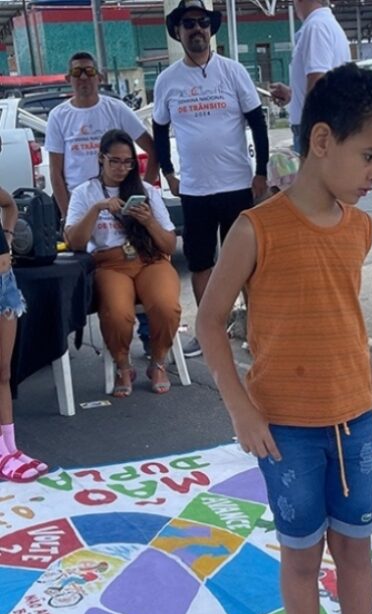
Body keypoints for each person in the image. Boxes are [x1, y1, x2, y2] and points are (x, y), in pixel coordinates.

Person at [195, 64, 372, 614]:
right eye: (370, 155)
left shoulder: (359, 228)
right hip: (287, 430)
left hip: (353, 420)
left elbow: (349, 317)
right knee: (301, 558)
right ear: (321, 140)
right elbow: (209, 321)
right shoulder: (258, 230)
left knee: (355, 550)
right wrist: (242, 410)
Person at [152, 0, 269, 358]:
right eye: (189, 24)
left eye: (203, 23)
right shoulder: (167, 80)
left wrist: (261, 172)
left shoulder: (232, 72)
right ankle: (208, 332)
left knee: (246, 264)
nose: (197, 29)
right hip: (195, 190)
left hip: (236, 185)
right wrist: (168, 173)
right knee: (202, 263)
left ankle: (255, 330)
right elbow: (158, 129)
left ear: (211, 28)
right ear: (179, 32)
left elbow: (257, 122)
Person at [64, 130, 181, 397]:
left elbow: (169, 245)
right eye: (115, 161)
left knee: (166, 305)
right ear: (100, 158)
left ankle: (158, 360)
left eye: (128, 162)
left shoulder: (147, 191)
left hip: (150, 259)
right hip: (110, 263)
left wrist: (149, 221)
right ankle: (123, 365)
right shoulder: (85, 192)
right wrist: (97, 208)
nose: (122, 168)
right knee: (117, 313)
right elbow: (75, 243)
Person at [47, 51, 159, 221]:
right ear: (68, 79)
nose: (84, 77)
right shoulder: (57, 116)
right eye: (77, 73)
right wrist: (66, 214)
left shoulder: (117, 109)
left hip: (120, 202)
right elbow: (55, 172)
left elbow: (153, 150)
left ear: (99, 77)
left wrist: (143, 193)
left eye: (89, 71)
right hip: (81, 203)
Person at [0, 187, 47, 482]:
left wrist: (7, 235)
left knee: (3, 372)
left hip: (5, 283)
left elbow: (9, 204)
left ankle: (10, 447)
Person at [269, 0, 350, 155]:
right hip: (326, 125)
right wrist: (292, 94)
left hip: (314, 128)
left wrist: (310, 132)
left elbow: (318, 83)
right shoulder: (327, 25)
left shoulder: (316, 27)